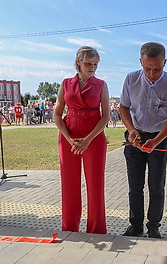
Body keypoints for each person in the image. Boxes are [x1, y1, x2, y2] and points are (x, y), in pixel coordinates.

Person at [119, 42, 167, 239]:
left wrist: (156, 140)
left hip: (159, 138)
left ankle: (154, 226)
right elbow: (123, 107)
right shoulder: (131, 79)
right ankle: (135, 225)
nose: (152, 73)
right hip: (135, 137)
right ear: (140, 62)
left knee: (156, 185)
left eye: (157, 68)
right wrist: (131, 130)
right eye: (147, 68)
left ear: (165, 62)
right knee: (135, 186)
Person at [53, 46, 109, 234]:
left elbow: (106, 116)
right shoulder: (65, 83)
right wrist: (69, 139)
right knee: (69, 184)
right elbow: (57, 115)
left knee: (95, 185)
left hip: (94, 138)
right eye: (88, 64)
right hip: (68, 138)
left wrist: (87, 140)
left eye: (95, 64)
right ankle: (69, 228)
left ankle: (96, 229)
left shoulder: (101, 84)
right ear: (78, 62)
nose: (92, 67)